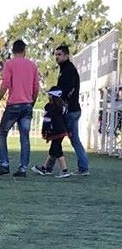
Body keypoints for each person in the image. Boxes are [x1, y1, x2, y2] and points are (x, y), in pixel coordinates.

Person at [0, 39, 40, 177]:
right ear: (24, 51)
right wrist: (31, 103)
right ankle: (23, 168)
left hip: (14, 104)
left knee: (2, 133)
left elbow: (5, 84)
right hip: (27, 105)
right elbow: (36, 88)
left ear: (13, 51)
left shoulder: (9, 64)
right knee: (25, 137)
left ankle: (4, 164)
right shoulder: (32, 66)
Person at [49, 45, 89, 176]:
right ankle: (47, 166)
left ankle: (82, 167)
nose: (57, 57)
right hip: (71, 109)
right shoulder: (65, 69)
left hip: (70, 110)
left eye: (59, 54)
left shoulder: (69, 70)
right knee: (59, 137)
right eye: (56, 54)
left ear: (66, 55)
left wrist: (58, 96)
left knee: (64, 138)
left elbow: (68, 89)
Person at [31, 87, 71, 178]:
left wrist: (44, 131)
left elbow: (47, 120)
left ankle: (64, 171)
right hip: (62, 131)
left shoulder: (49, 106)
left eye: (49, 94)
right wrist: (68, 131)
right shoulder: (63, 106)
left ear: (53, 95)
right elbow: (65, 120)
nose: (48, 96)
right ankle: (44, 168)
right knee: (53, 150)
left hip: (55, 131)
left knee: (58, 151)